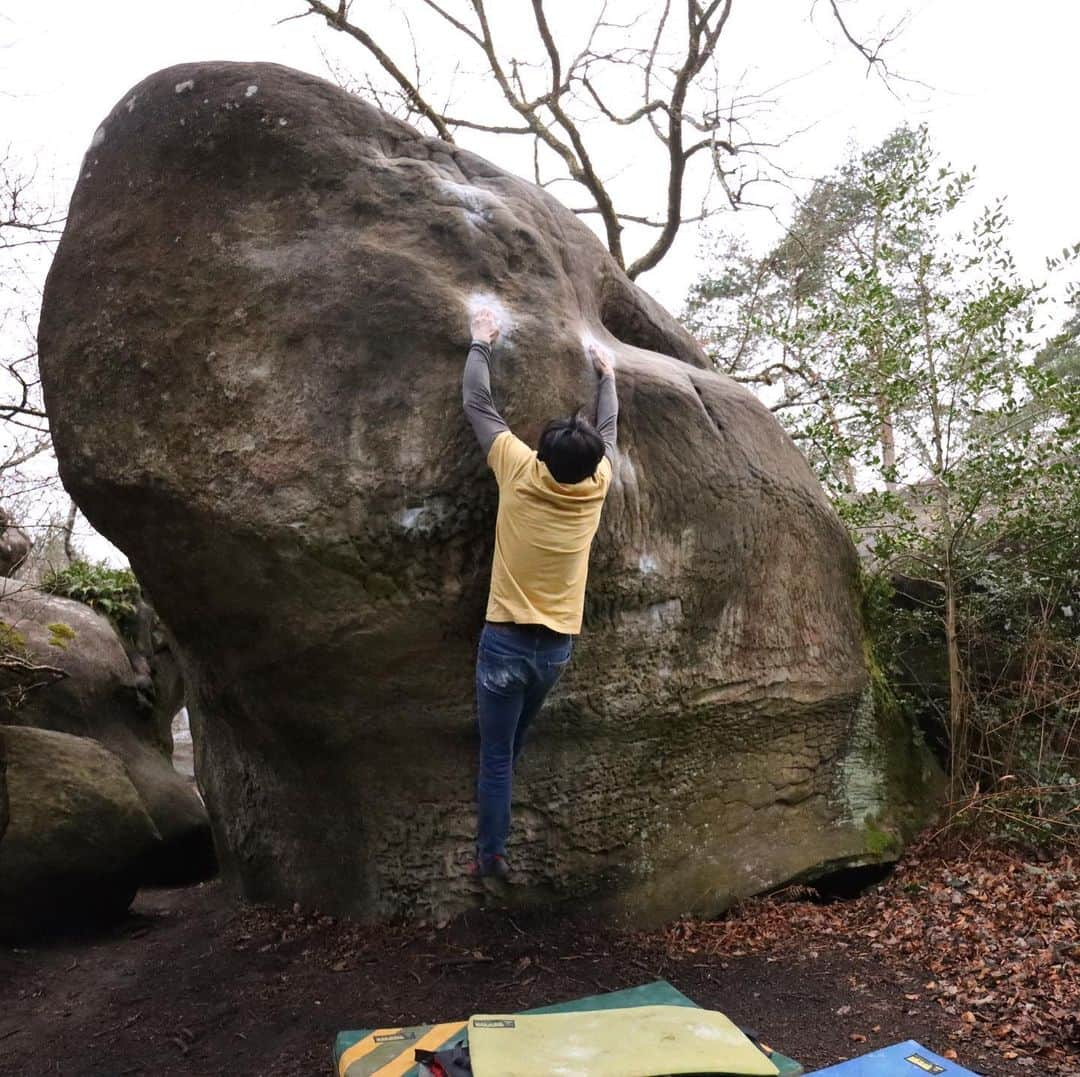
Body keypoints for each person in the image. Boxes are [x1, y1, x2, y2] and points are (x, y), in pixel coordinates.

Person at [462, 306, 619, 880]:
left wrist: (480, 343)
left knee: (497, 754)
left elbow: (478, 405)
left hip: (503, 641)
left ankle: (490, 855)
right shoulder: (597, 486)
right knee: (511, 745)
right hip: (554, 649)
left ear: (542, 454)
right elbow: (608, 433)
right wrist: (606, 375)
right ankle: (497, 828)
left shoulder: (519, 469)